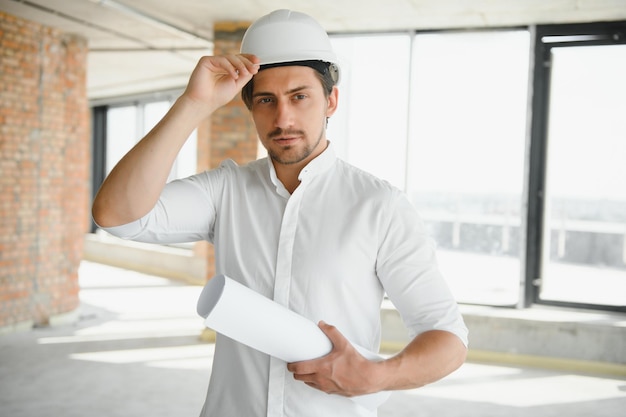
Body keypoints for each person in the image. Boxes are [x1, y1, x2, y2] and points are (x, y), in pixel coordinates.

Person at [92, 9, 468, 417]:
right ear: (250, 107)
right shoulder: (226, 191)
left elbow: (447, 336)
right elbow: (116, 215)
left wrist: (375, 377)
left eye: (299, 96)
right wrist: (194, 103)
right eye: (266, 100)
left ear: (331, 101)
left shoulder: (380, 206)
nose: (283, 118)